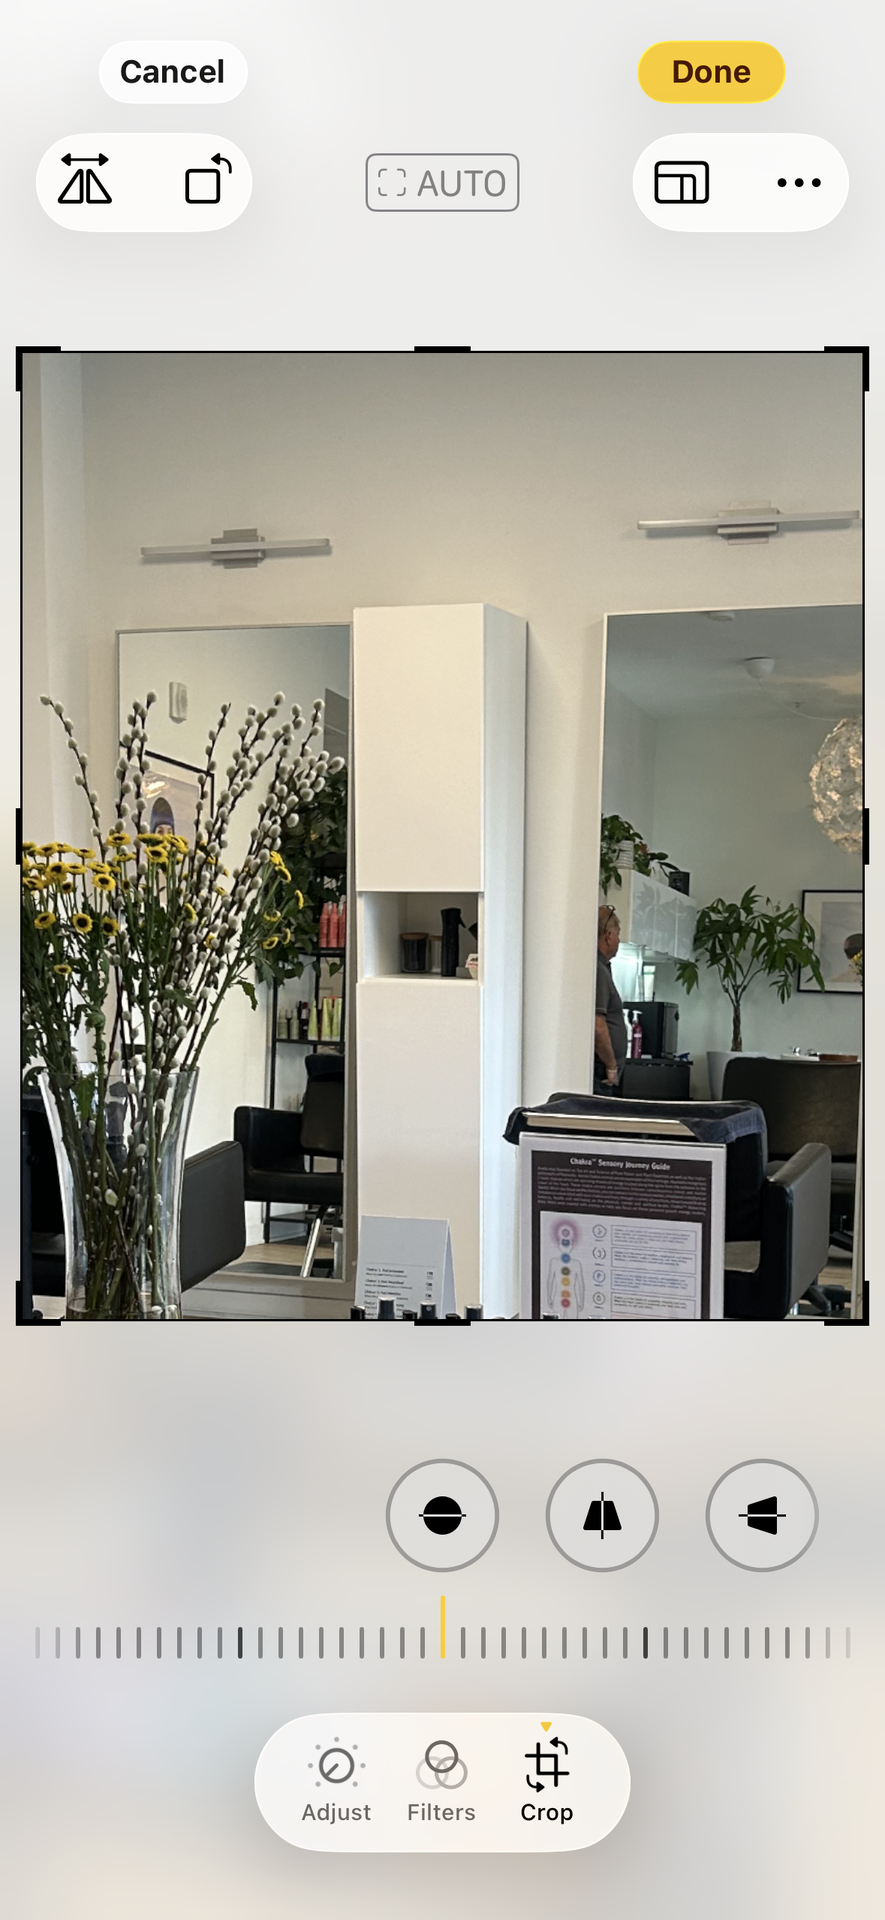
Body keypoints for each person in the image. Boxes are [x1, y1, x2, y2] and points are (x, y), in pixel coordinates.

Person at [594, 904, 627, 1092]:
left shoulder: (601, 967)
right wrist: (611, 1066)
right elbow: (598, 1025)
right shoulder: (598, 970)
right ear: (608, 936)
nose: (619, 940)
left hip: (603, 1069)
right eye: (618, 934)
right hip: (602, 1072)